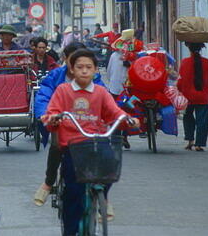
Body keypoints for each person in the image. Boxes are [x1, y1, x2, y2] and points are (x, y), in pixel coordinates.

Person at [40, 49, 138, 234]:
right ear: (72, 69)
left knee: (111, 162)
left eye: (88, 67)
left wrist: (128, 118)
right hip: (72, 144)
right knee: (73, 193)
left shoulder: (101, 92)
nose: (84, 71)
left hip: (95, 141)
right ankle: (70, 230)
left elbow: (114, 111)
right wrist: (52, 118)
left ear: (95, 70)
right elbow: (52, 111)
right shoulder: (63, 90)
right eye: (80, 67)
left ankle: (103, 197)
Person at [33, 42, 105, 207]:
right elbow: (44, 95)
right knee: (57, 145)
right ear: (65, 59)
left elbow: (105, 98)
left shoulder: (93, 77)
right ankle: (49, 182)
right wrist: (45, 114)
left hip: (88, 123)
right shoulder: (56, 76)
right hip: (61, 122)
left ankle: (103, 196)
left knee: (103, 150)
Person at [177, 42, 208, 152]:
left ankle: (190, 141)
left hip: (188, 97)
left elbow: (180, 80)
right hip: (203, 97)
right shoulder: (206, 62)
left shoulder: (185, 62)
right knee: (202, 120)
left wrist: (179, 90)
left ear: (189, 49)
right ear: (200, 49)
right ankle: (199, 144)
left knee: (188, 117)